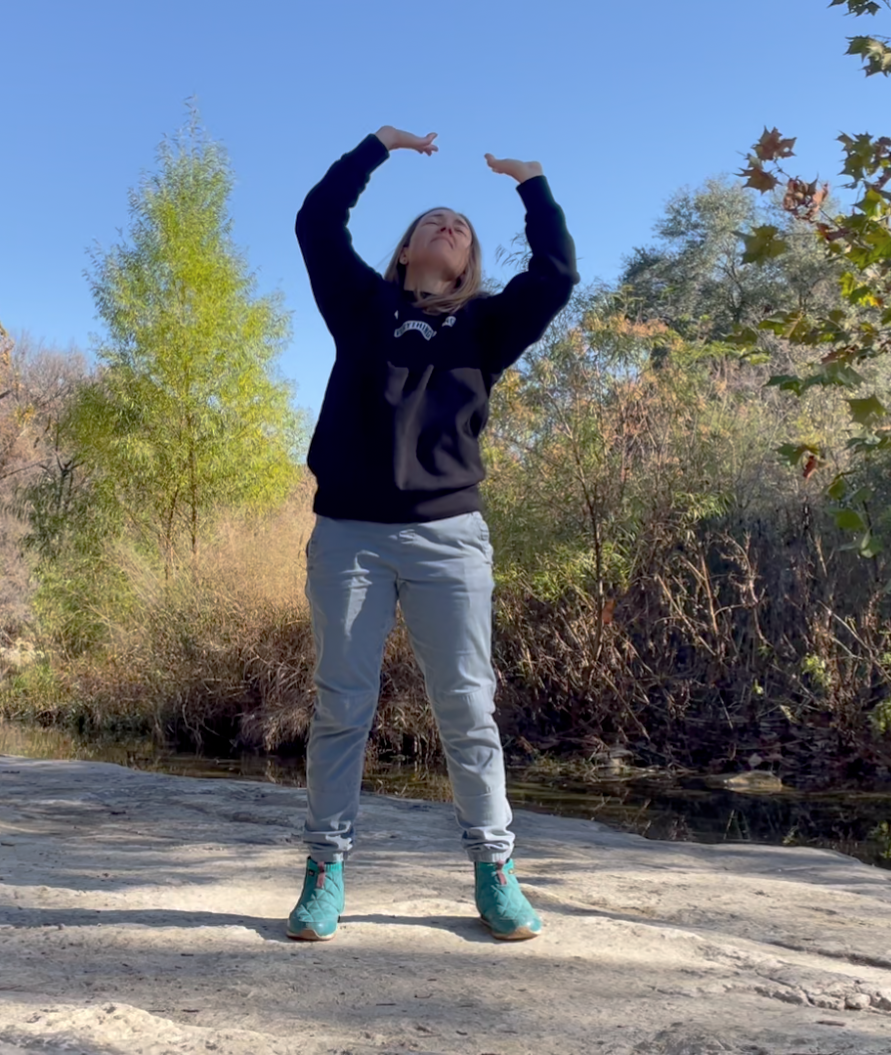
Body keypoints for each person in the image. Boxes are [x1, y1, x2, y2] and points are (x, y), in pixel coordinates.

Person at [286, 125, 578, 942]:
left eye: (462, 227)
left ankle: (495, 871)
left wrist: (532, 183)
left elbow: (556, 274)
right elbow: (316, 221)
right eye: (432, 221)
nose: (449, 225)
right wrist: (374, 148)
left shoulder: (486, 326)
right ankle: (323, 871)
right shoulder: (360, 306)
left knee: (466, 707)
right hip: (348, 534)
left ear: (468, 261)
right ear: (408, 249)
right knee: (342, 705)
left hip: (449, 537)